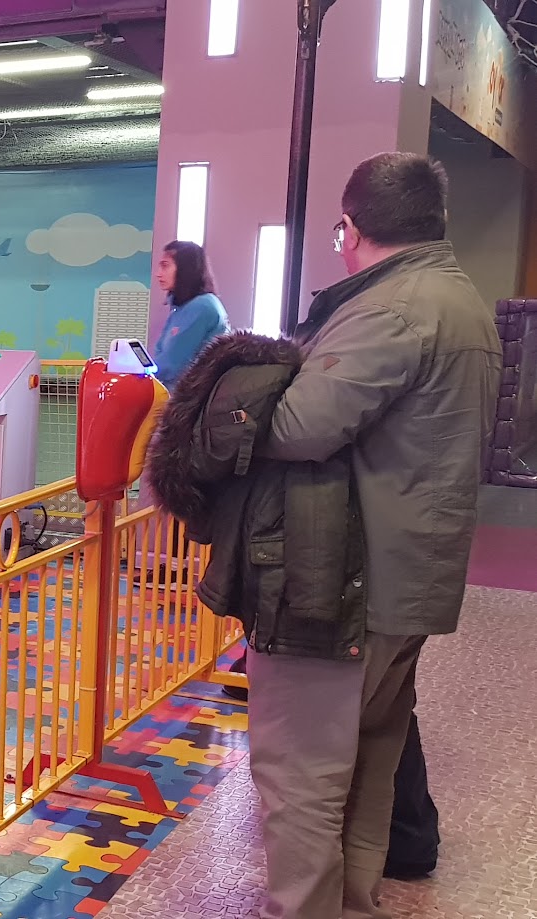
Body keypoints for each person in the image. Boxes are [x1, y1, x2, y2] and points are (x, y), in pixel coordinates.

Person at [249, 152, 501, 919]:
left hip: (346, 582)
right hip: (412, 573)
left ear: (350, 228)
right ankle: (353, 903)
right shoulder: (458, 298)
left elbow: (298, 425)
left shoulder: (392, 308)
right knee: (367, 760)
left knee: (301, 770)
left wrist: (237, 392)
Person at [151, 240, 232, 389]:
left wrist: (137, 372)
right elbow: (162, 355)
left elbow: (172, 364)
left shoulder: (201, 306)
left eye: (165, 265)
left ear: (185, 269)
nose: (158, 273)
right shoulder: (183, 307)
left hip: (187, 396)